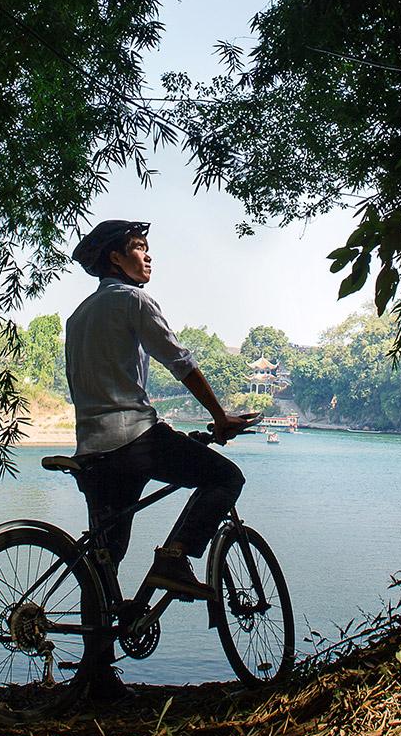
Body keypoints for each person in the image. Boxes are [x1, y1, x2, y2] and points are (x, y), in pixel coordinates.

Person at [65, 219, 258, 615]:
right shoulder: (133, 301)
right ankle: (174, 555)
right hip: (133, 439)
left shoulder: (78, 316)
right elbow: (179, 361)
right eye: (138, 247)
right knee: (225, 477)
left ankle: (96, 673)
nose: (148, 254)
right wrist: (219, 417)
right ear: (116, 259)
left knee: (104, 561)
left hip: (91, 449)